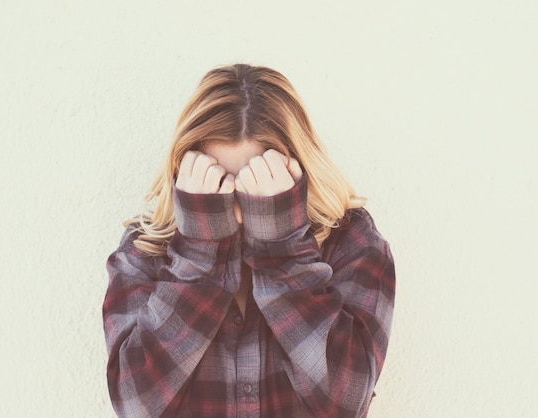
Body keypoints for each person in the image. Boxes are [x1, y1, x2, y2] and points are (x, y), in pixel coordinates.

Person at [102, 64, 396, 418]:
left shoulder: (351, 242)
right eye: (220, 179)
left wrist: (282, 246)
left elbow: (347, 401)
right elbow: (136, 405)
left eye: (261, 179)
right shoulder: (144, 250)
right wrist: (200, 251)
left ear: (298, 169)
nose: (239, 203)